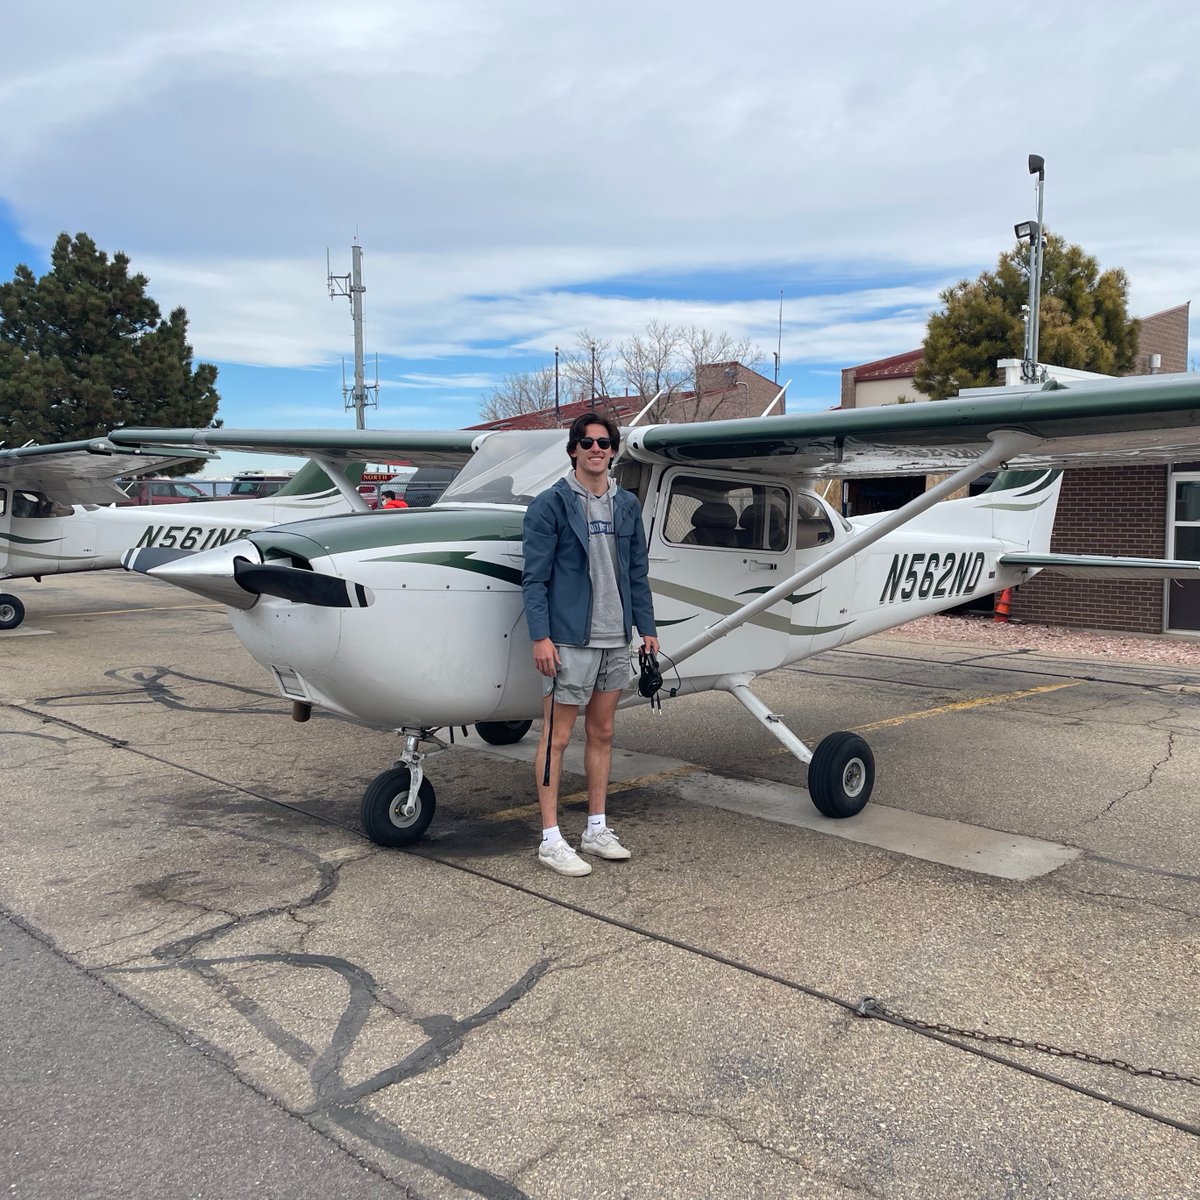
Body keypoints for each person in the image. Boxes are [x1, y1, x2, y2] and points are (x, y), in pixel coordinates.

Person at [521, 412, 659, 877]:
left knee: (602, 733)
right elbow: (534, 579)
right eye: (587, 442)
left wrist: (647, 628)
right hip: (568, 641)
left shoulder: (627, 506)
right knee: (557, 738)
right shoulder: (550, 505)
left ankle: (596, 828)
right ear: (573, 450)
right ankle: (550, 838)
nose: (596, 449)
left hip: (614, 638)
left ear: (614, 450)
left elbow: (636, 571)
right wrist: (541, 636)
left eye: (604, 442)